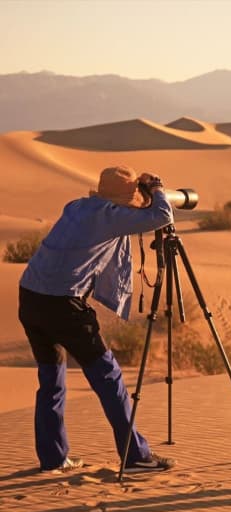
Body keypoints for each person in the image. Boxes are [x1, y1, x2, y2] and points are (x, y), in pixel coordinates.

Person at [18, 165, 177, 474]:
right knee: (109, 377)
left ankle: (53, 458)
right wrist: (156, 188)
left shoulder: (78, 206)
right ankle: (134, 456)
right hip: (63, 304)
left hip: (31, 296)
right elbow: (163, 216)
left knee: (51, 381)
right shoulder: (110, 216)